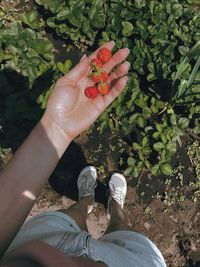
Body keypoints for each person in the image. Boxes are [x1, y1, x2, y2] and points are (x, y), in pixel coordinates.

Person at [0, 41, 167, 267]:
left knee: (71, 217)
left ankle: (86, 201)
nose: (87, 260)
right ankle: (115, 209)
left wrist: (56, 127)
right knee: (123, 232)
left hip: (40, 237)